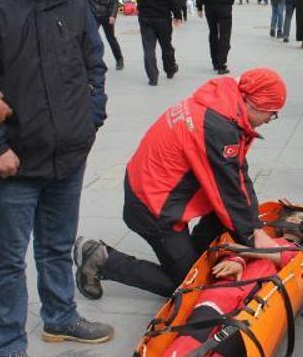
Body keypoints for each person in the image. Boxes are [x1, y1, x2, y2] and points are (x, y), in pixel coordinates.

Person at [0, 0, 112, 355]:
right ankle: (9, 344)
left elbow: (93, 60)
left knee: (58, 245)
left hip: (69, 154)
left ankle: (60, 318)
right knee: (7, 260)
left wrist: (91, 117)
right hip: (12, 163)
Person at [73, 69, 287, 299]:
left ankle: (193, 255)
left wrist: (253, 225)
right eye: (272, 114)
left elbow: (237, 174)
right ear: (256, 104)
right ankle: (101, 259)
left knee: (221, 226)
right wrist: (253, 237)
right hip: (153, 207)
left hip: (153, 187)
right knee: (189, 285)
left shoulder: (222, 103)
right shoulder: (219, 127)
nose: (269, 121)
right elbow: (229, 191)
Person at [162, 208, 303, 356]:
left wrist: (241, 251)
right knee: (191, 338)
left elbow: (284, 258)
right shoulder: (262, 239)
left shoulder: (300, 253)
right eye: (292, 216)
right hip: (225, 291)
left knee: (227, 349)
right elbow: (228, 254)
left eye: (302, 219)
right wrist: (238, 259)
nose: (296, 219)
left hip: (254, 305)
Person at [131, 0, 182, 86]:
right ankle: (170, 69)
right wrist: (177, 15)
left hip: (145, 18)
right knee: (166, 45)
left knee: (148, 48)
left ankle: (153, 77)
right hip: (163, 18)